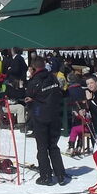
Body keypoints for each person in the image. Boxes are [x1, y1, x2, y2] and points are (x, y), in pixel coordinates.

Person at [24, 56, 69, 186]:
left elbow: (28, 97)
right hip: (54, 115)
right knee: (53, 146)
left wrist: (31, 101)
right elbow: (59, 92)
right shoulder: (53, 77)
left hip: (41, 117)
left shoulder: (34, 81)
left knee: (42, 148)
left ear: (33, 68)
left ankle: (46, 176)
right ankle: (60, 174)